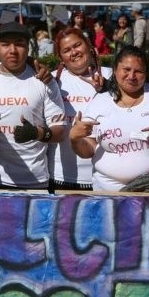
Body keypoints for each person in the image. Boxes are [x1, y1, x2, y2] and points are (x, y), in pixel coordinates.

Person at [70, 45, 149, 192]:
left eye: (138, 71)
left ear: (146, 73)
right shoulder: (99, 102)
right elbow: (88, 151)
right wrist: (75, 138)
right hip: (109, 193)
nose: (131, 76)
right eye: (126, 70)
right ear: (115, 70)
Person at [0, 21, 66, 190]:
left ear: (28, 47)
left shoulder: (44, 80)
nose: (13, 50)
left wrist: (37, 133)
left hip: (34, 182)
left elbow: (59, 132)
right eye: (5, 44)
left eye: (19, 44)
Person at [49, 27, 112, 191]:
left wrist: (107, 89)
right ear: (60, 57)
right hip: (59, 174)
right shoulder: (53, 79)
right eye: (66, 50)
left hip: (102, 176)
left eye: (77, 45)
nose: (74, 52)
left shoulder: (110, 76)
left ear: (89, 45)